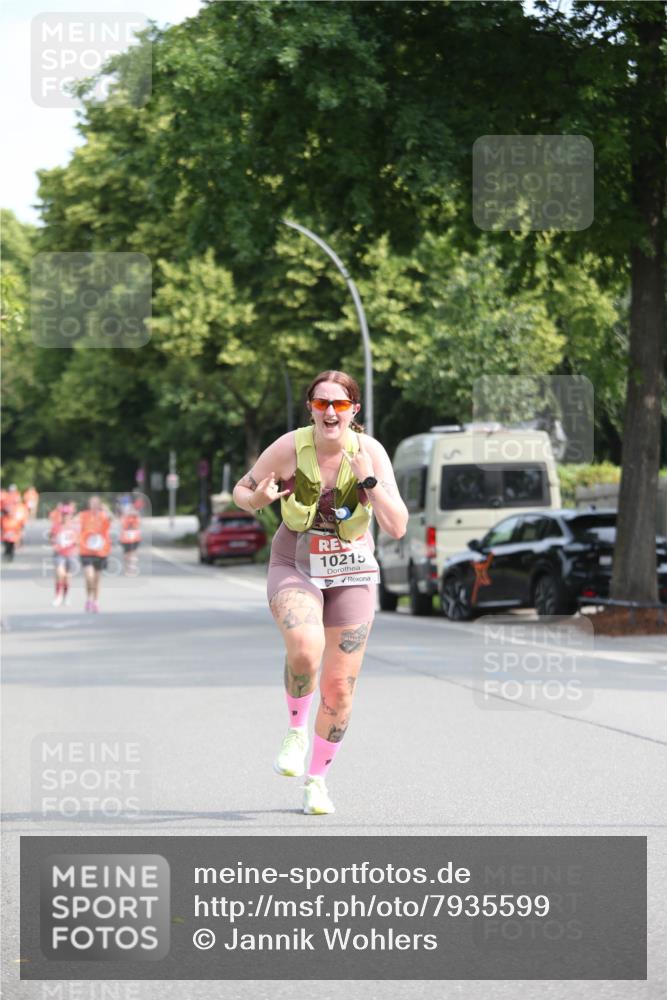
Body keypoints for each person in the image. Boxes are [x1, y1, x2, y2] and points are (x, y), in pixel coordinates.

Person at [232, 370, 408, 815]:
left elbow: (397, 526)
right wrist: (258, 500)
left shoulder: (370, 453)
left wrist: (368, 482)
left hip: (352, 569)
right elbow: (242, 490)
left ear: (354, 410)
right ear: (310, 408)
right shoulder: (290, 447)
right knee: (306, 647)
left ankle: (317, 781)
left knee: (340, 688)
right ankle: (296, 730)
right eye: (321, 403)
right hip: (295, 561)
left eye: (340, 404)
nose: (330, 412)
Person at [78, 496, 112, 612]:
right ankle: (89, 599)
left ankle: (95, 601)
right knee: (89, 576)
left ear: (100, 504)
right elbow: (75, 524)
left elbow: (112, 520)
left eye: (96, 503)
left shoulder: (103, 515)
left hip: (100, 551)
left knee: (97, 579)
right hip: (86, 551)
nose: (94, 505)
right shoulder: (83, 515)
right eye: (91, 503)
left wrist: (107, 510)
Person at [50, 503, 78, 606]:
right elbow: (52, 538)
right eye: (64, 514)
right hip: (59, 553)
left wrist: (76, 544)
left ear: (71, 515)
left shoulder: (74, 526)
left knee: (67, 576)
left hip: (70, 553)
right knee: (59, 573)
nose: (65, 516)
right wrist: (54, 544)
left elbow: (78, 539)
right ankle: (58, 596)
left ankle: (66, 596)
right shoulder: (56, 526)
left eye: (67, 514)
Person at [119, 502, 142, 575]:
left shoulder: (136, 517)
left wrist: (135, 515)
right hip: (125, 538)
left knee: (133, 552)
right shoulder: (124, 517)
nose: (130, 511)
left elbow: (138, 524)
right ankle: (127, 567)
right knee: (126, 554)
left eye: (132, 509)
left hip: (135, 537)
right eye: (129, 509)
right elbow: (122, 525)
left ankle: (132, 568)